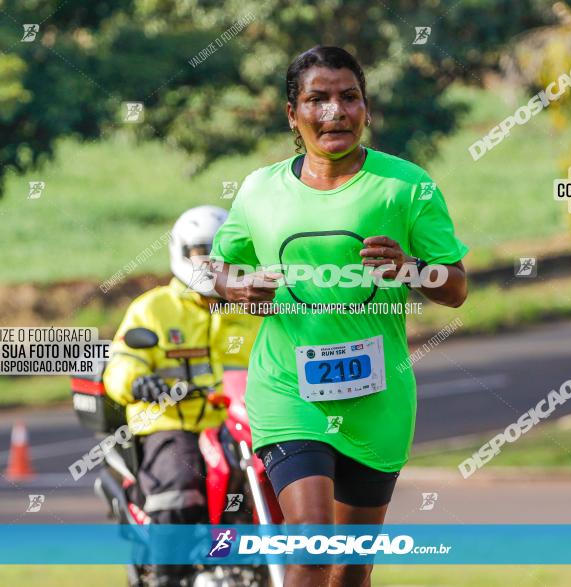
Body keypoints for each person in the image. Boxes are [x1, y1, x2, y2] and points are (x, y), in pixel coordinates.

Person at [210, 46, 468, 586]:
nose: (335, 111)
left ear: (366, 109)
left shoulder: (405, 186)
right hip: (288, 391)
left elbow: (456, 286)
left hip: (377, 399)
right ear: (292, 114)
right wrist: (236, 286)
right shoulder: (260, 190)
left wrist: (411, 269)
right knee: (311, 548)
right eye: (317, 99)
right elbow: (215, 271)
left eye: (349, 97)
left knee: (351, 570)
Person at [102, 205, 262, 587]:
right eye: (201, 251)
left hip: (244, 426)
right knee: (178, 487)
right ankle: (169, 579)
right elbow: (121, 364)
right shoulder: (154, 308)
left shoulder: (254, 310)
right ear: (181, 251)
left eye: (222, 253)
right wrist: (141, 383)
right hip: (172, 424)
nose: (210, 261)